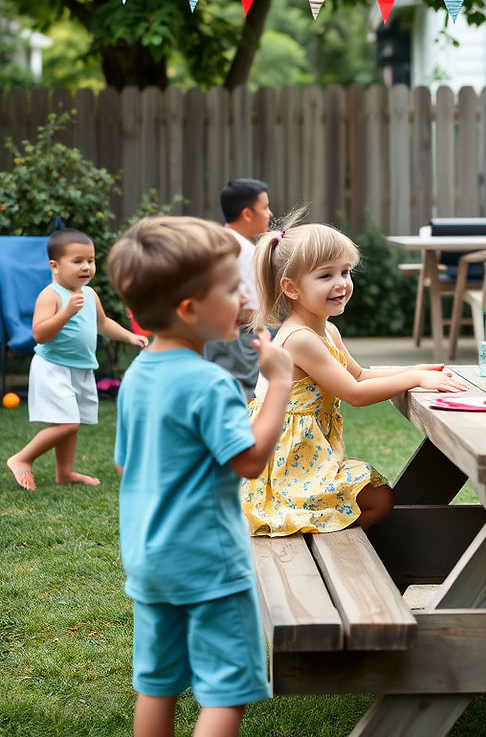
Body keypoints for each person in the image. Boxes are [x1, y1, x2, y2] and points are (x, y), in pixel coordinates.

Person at [107, 216, 293, 737]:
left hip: (150, 558)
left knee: (158, 684)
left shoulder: (136, 376)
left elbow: (126, 464)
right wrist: (277, 383)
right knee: (224, 692)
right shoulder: (211, 384)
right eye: (231, 288)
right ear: (189, 309)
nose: (243, 295)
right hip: (208, 563)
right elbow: (251, 461)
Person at [240, 214, 467, 536]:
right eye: (325, 275)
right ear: (290, 288)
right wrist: (414, 381)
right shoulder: (299, 338)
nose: (341, 283)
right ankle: (337, 550)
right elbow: (355, 394)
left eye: (345, 272)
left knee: (376, 497)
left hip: (306, 455)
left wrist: (414, 370)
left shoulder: (326, 330)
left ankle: (340, 545)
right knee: (378, 499)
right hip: (287, 464)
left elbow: (357, 374)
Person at [6, 228, 148, 492]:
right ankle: (22, 458)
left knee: (71, 424)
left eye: (90, 260)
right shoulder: (52, 294)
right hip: (53, 368)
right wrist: (66, 312)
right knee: (67, 423)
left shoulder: (90, 293)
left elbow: (102, 323)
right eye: (78, 261)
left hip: (81, 368)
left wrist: (130, 337)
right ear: (55, 265)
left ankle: (65, 472)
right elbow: (39, 334)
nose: (86, 267)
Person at [203, 177, 273, 400]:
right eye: (265, 207)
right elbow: (249, 305)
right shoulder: (242, 249)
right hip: (240, 336)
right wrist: (262, 334)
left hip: (214, 333)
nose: (270, 213)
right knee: (243, 390)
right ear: (247, 213)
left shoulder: (218, 241)